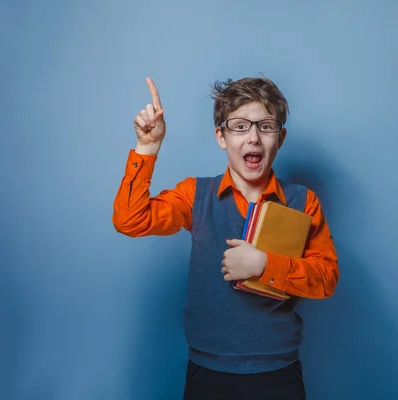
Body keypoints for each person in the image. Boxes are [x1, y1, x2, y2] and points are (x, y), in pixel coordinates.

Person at [112, 76, 339, 399]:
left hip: (278, 373)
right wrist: (147, 148)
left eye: (266, 126)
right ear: (221, 136)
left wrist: (264, 266)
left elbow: (327, 278)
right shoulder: (195, 195)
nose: (254, 138)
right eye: (240, 126)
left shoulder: (304, 202)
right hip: (208, 373)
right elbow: (130, 221)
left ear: (281, 137)